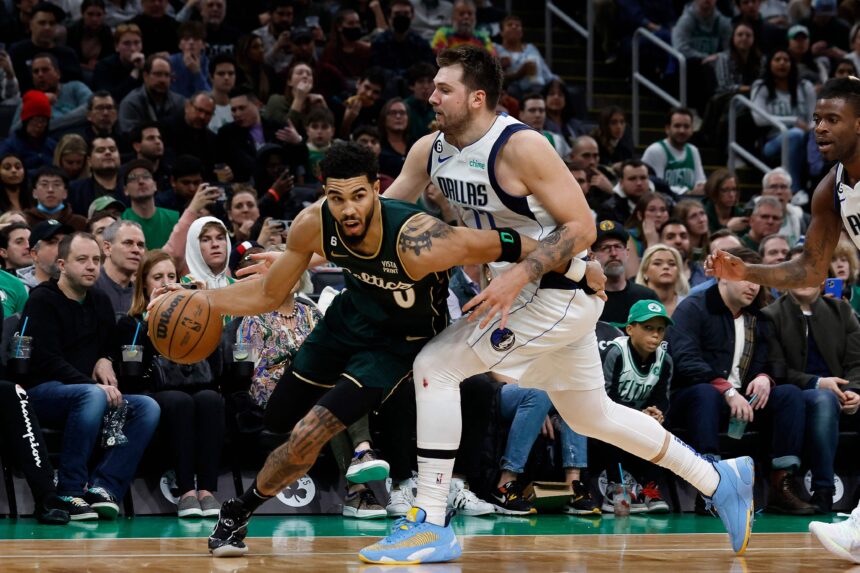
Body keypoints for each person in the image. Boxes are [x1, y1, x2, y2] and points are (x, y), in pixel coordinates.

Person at [359, 46, 754, 562]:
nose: (430, 96)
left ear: (477, 98)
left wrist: (517, 273)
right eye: (433, 87)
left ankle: (431, 519)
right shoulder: (429, 149)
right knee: (591, 416)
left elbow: (584, 226)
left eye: (444, 89)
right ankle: (719, 477)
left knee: (436, 366)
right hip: (518, 293)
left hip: (556, 296)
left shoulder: (521, 146)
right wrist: (305, 245)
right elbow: (385, 213)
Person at [197, 141, 582, 555]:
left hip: (398, 344)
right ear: (323, 193)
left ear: (376, 191)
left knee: (311, 432)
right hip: (349, 320)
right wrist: (201, 300)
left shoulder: (423, 239)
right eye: (336, 197)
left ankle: (237, 511)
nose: (348, 210)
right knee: (277, 419)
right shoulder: (313, 224)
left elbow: (511, 242)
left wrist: (579, 268)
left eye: (359, 196)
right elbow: (269, 293)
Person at [21, 232, 160, 520]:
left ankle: (103, 487)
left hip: (89, 396)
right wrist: (89, 384)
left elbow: (108, 345)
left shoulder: (99, 300)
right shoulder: (41, 301)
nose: (91, 266)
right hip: (43, 393)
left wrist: (105, 359)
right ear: (62, 264)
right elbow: (46, 361)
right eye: (82, 260)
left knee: (147, 407)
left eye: (96, 260)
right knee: (92, 395)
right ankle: (70, 490)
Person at [670, 247, 816, 516]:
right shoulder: (693, 307)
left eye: (757, 280)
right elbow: (684, 359)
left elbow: (773, 362)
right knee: (705, 394)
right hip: (696, 398)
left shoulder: (758, 317)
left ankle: (780, 486)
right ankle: (710, 489)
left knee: (790, 395)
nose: (753, 286)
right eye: (746, 278)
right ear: (723, 275)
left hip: (742, 403)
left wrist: (764, 378)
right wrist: (726, 390)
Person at [119, 249, 225, 518]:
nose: (166, 283)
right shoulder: (130, 321)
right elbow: (131, 374)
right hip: (152, 390)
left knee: (210, 398)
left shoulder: (193, 316)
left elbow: (216, 364)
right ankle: (187, 493)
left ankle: (208, 492)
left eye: (171, 276)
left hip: (196, 387)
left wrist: (207, 306)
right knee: (179, 402)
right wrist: (149, 321)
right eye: (158, 277)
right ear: (144, 283)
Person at [763, 248, 860, 514]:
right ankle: (824, 490)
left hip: (840, 392)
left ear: (822, 279)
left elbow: (856, 362)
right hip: (797, 394)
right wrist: (819, 382)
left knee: (831, 398)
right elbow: (777, 369)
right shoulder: (772, 315)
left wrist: (854, 391)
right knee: (824, 398)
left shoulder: (842, 310)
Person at [641, 107, 706, 196]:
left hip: (689, 204)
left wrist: (701, 187)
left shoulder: (693, 150)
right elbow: (657, 185)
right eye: (677, 126)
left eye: (686, 126)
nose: (682, 131)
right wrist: (687, 192)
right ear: (667, 129)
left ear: (692, 130)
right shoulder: (655, 150)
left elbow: (701, 180)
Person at [93, 220, 145, 314]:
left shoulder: (141, 295)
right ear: (107, 248)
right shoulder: (89, 286)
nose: (136, 250)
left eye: (140, 245)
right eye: (128, 243)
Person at [634, 244, 689, 316]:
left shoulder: (688, 305)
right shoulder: (633, 305)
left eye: (672, 264)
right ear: (644, 272)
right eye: (657, 263)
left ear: (678, 272)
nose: (666, 267)